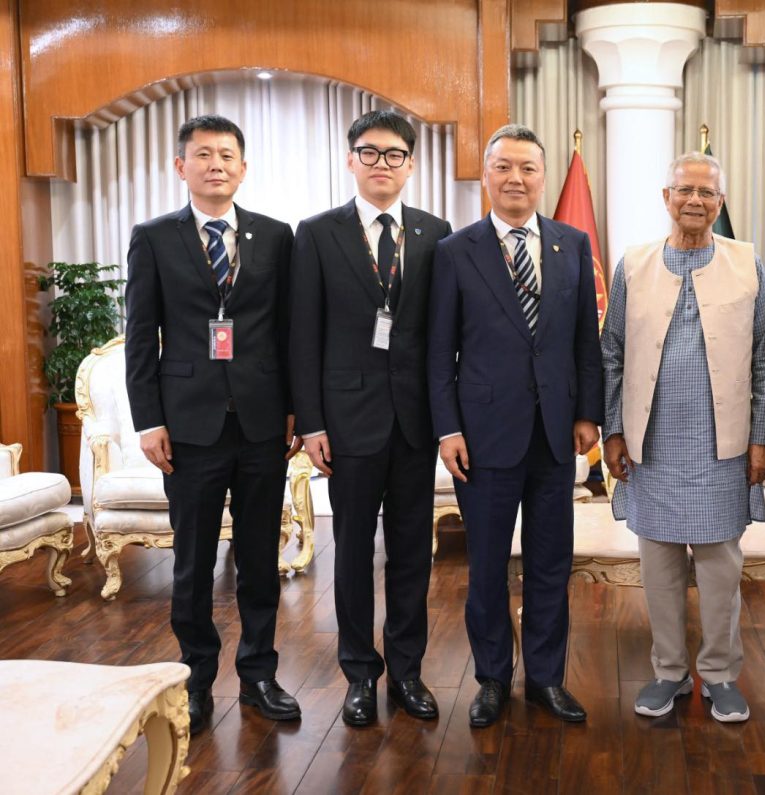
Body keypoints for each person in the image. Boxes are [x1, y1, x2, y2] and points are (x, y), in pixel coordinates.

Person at [125, 114, 302, 734]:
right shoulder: (153, 238)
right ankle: (195, 678)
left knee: (259, 558)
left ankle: (258, 674)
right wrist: (149, 420)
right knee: (193, 562)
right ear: (182, 167)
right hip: (189, 426)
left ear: (244, 167)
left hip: (260, 424)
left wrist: (295, 412)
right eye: (203, 154)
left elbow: (290, 333)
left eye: (227, 154)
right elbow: (141, 337)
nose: (216, 164)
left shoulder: (276, 236)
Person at [428, 124, 603, 728]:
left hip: (555, 434)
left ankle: (547, 680)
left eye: (528, 168)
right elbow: (438, 351)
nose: (516, 179)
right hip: (482, 439)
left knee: (552, 564)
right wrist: (447, 429)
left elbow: (587, 340)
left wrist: (588, 413)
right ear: (487, 174)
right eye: (504, 167)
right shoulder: (455, 251)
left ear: (543, 176)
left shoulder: (572, 244)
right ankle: (493, 679)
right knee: (487, 568)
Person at [289, 110, 452, 727]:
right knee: (352, 552)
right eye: (370, 152)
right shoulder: (319, 233)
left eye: (394, 154)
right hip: (347, 421)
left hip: (415, 421)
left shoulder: (437, 233)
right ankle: (360, 673)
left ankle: (407, 671)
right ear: (350, 159)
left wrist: (447, 418)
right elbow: (303, 335)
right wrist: (311, 422)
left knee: (413, 553)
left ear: (410, 164)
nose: (382, 163)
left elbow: (446, 336)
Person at [601, 152, 765, 723]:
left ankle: (721, 674)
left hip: (723, 445)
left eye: (707, 192)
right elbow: (612, 353)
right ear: (666, 197)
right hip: (652, 446)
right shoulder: (634, 264)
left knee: (721, 569)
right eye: (685, 190)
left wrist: (763, 437)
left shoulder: (748, 263)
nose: (695, 200)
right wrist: (614, 431)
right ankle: (670, 672)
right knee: (659, 567)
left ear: (720, 202)